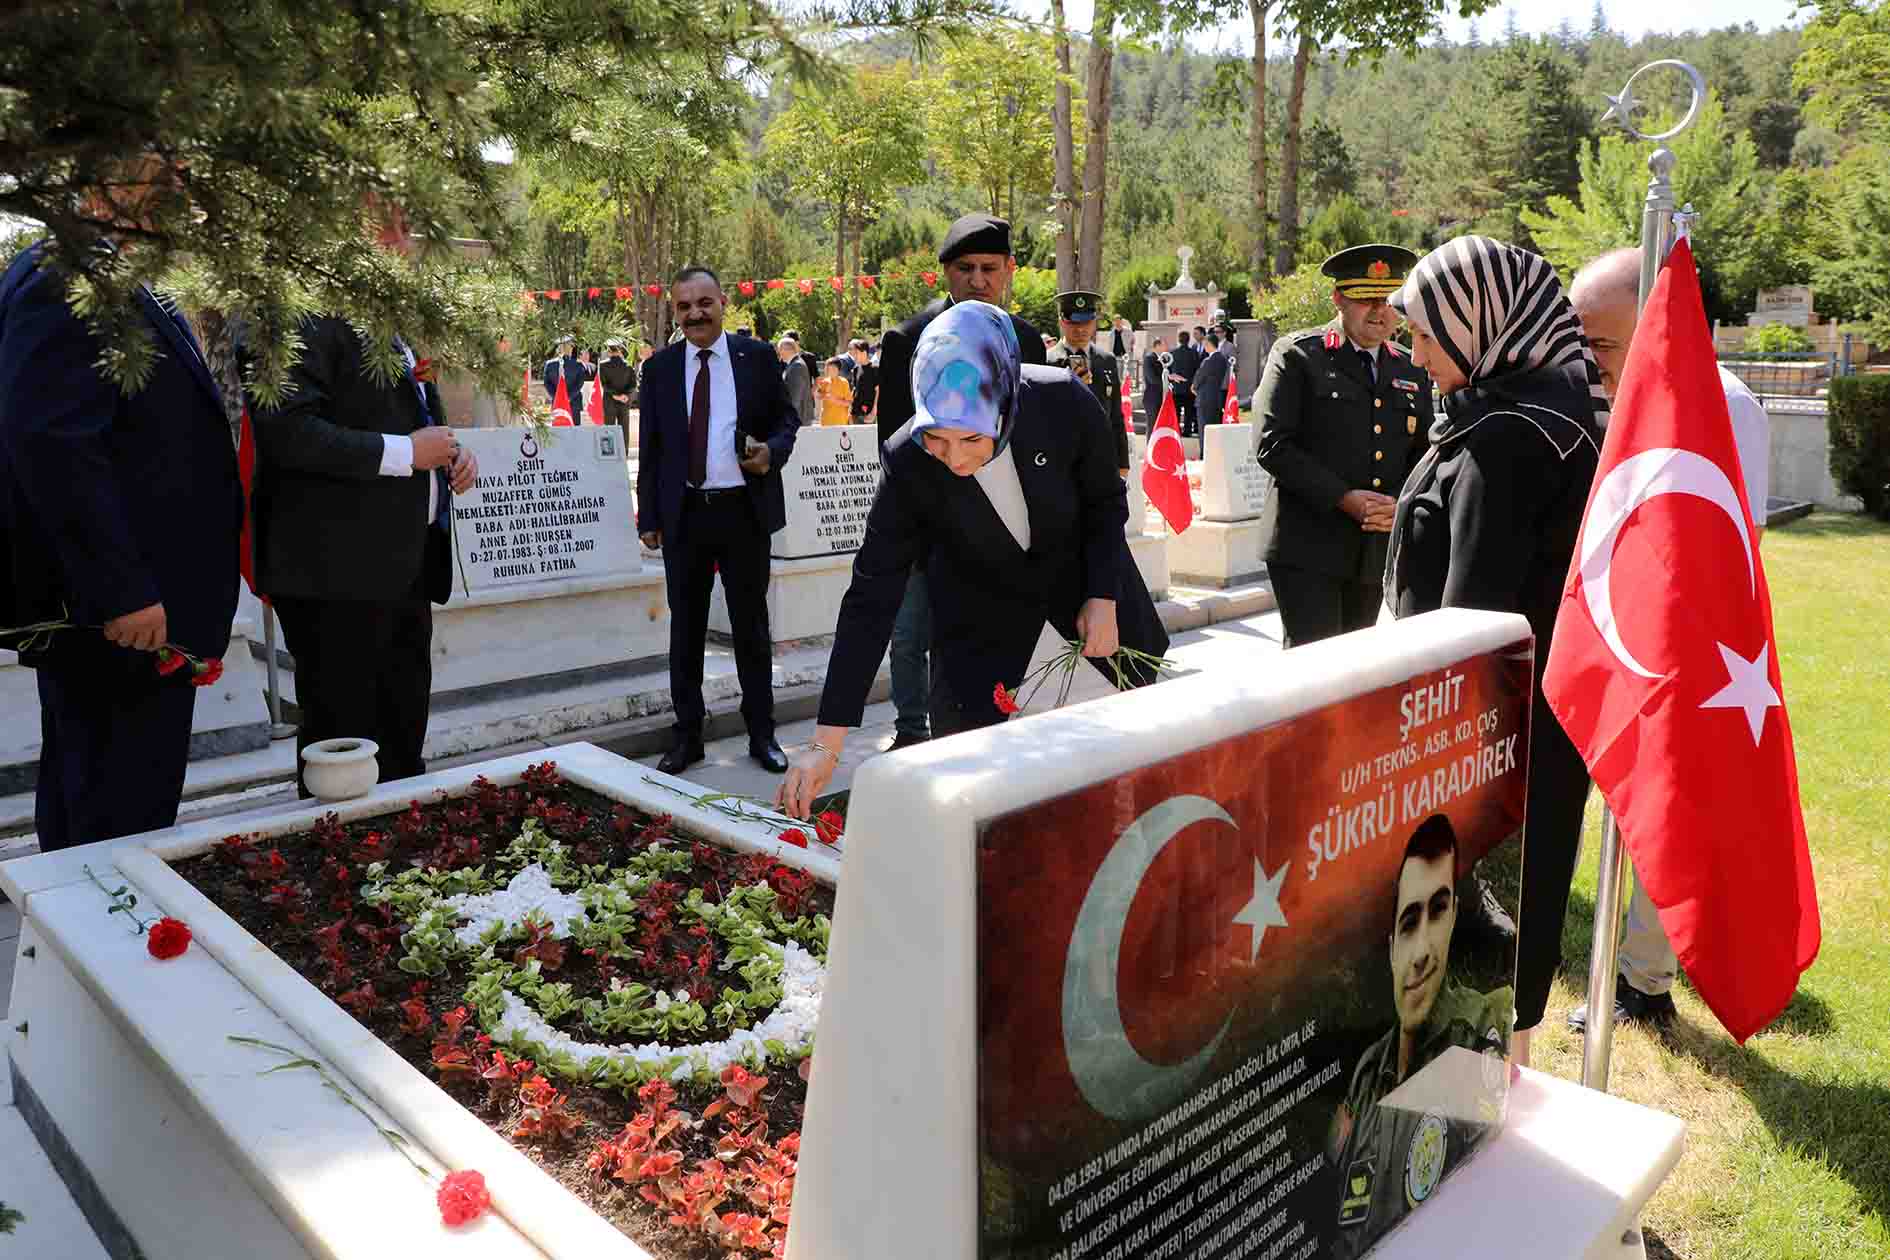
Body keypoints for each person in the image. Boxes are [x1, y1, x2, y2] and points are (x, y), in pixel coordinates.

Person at [775, 301, 1168, 817]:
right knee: (1006, 833)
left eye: (972, 439)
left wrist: (1102, 593)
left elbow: (1104, 503)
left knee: (1119, 811)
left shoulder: (1063, 404)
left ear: (1004, 403)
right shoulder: (908, 461)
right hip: (988, 654)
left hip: (1095, 636)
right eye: (936, 438)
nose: (956, 459)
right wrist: (827, 744)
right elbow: (873, 595)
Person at [1382, 234, 1610, 1066]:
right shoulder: (1543, 415)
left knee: (1478, 967)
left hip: (1482, 746)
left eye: (1427, 336)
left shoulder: (1509, 438)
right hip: (1533, 731)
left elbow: (1468, 625)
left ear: (1481, 324)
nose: (1415, 356)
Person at [1563, 245, 1771, 1034]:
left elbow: (1722, 550)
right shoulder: (1641, 397)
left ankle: (1645, 978)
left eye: (1603, 344)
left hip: (1684, 657)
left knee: (1663, 812)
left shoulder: (1718, 403)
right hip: (1633, 640)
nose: (1591, 365)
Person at [0, 235, 242, 850]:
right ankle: (100, 942)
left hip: (147, 609)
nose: (182, 173)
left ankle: (86, 940)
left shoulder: (120, 269)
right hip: (122, 621)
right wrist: (122, 590)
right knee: (111, 823)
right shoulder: (70, 272)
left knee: (117, 808)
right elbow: (54, 443)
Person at [248, 207, 479, 797]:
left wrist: (451, 454)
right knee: (343, 749)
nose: (403, 242)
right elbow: (288, 431)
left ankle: (401, 869)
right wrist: (407, 453)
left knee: (403, 738)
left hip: (402, 569)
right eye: (387, 227)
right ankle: (339, 874)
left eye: (406, 226)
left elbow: (412, 423)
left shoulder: (387, 327)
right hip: (337, 579)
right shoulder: (300, 311)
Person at [873, 213, 1048, 752]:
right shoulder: (907, 340)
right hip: (927, 524)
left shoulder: (1024, 341)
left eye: (989, 268)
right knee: (910, 634)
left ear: (1009, 270)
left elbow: (1029, 440)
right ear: (945, 273)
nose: (978, 279)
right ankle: (909, 734)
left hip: (1001, 528)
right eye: (965, 268)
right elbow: (898, 449)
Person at [1326, 815, 1512, 1259]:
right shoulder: (1368, 1072)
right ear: (1392, 948)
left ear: (1454, 922)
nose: (1423, 951)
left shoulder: (1478, 1029)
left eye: (1439, 911)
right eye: (1410, 923)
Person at [637, 266, 798, 775]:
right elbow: (653, 447)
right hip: (685, 515)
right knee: (685, 632)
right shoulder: (660, 368)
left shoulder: (757, 358)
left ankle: (762, 734)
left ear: (723, 302)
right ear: (674, 311)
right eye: (684, 307)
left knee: (751, 628)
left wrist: (770, 452)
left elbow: (786, 421)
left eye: (704, 303)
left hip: (742, 513)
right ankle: (687, 737)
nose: (695, 314)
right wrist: (649, 515)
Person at [1253, 244, 1433, 648]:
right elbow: (1271, 442)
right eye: (1364, 299)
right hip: (1307, 545)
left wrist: (1398, 501)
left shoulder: (1410, 367)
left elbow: (1424, 452)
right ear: (1338, 299)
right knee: (1312, 669)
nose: (1378, 311)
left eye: (1387, 300)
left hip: (1372, 546)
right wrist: (1343, 497)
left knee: (1355, 667)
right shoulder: (1299, 356)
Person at [1051, 290, 1129, 475]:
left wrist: (1123, 463)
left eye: (1086, 323)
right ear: (1062, 321)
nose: (1080, 329)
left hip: (1100, 458)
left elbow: (1116, 416)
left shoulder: (1106, 360)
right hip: (1060, 459)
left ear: (1095, 322)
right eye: (1073, 323)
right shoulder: (1047, 361)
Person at [598, 338, 636, 449]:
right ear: (620, 350)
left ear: (608, 351)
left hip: (609, 401)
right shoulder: (628, 365)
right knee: (624, 430)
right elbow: (633, 384)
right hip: (624, 402)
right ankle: (624, 455)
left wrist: (615, 395)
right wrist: (625, 395)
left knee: (608, 430)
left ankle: (608, 454)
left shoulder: (603, 365)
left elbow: (604, 385)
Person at [542, 333, 590, 416]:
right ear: (570, 347)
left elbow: (547, 383)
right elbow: (579, 384)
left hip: (557, 403)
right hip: (574, 403)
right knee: (574, 428)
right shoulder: (578, 365)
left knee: (559, 428)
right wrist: (568, 397)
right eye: (571, 346)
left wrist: (557, 397)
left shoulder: (549, 364)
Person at [1166, 329, 1200, 437]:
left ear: (1179, 340)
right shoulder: (1194, 353)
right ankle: (1187, 430)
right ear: (1188, 340)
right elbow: (1197, 369)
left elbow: (1169, 370)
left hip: (1176, 387)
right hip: (1189, 387)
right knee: (1189, 412)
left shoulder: (1173, 353)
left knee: (1176, 412)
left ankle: (1176, 429)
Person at [1191, 331, 1230, 425]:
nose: (1204, 347)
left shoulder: (1208, 361)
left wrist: (1193, 387)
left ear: (1209, 344)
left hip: (1204, 399)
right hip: (1216, 397)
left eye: (1205, 345)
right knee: (1213, 428)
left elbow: (1199, 377)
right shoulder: (1223, 358)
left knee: (1204, 429)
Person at [777, 335, 816, 427]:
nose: (779, 353)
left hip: (798, 418)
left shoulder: (797, 366)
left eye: (780, 350)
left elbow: (795, 395)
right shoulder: (793, 365)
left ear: (787, 349)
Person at [816, 356, 855, 426]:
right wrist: (822, 392)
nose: (830, 371)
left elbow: (849, 402)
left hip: (840, 420)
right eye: (828, 369)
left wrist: (835, 400)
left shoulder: (844, 382)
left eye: (833, 369)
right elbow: (818, 396)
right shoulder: (824, 381)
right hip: (826, 420)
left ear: (838, 370)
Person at [848, 338, 879, 422]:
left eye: (856, 353)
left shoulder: (875, 369)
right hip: (854, 412)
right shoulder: (856, 369)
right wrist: (849, 409)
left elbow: (878, 391)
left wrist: (874, 411)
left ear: (864, 353)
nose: (854, 356)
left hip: (868, 413)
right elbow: (854, 389)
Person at [1141, 336, 1168, 427]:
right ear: (1157, 346)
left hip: (1161, 396)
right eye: (1164, 345)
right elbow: (1152, 378)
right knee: (1152, 425)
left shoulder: (1164, 359)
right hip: (1152, 398)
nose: (1166, 347)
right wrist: (1167, 379)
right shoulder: (1149, 358)